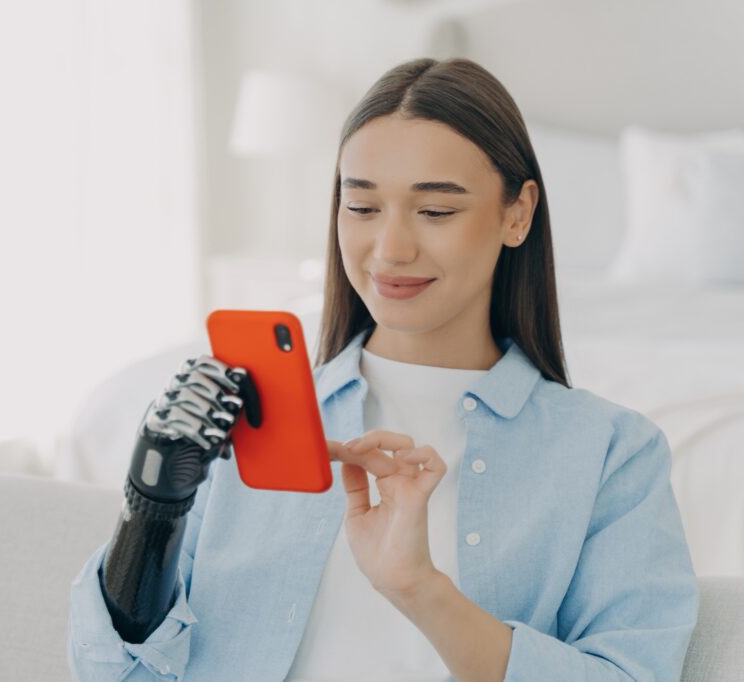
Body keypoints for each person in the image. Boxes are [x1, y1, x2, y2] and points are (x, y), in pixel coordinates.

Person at [67, 57, 699, 681]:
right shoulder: (246, 424)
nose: (390, 250)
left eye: (436, 211)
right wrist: (150, 510)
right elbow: (116, 674)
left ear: (517, 214)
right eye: (362, 208)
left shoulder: (611, 453)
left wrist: (420, 589)